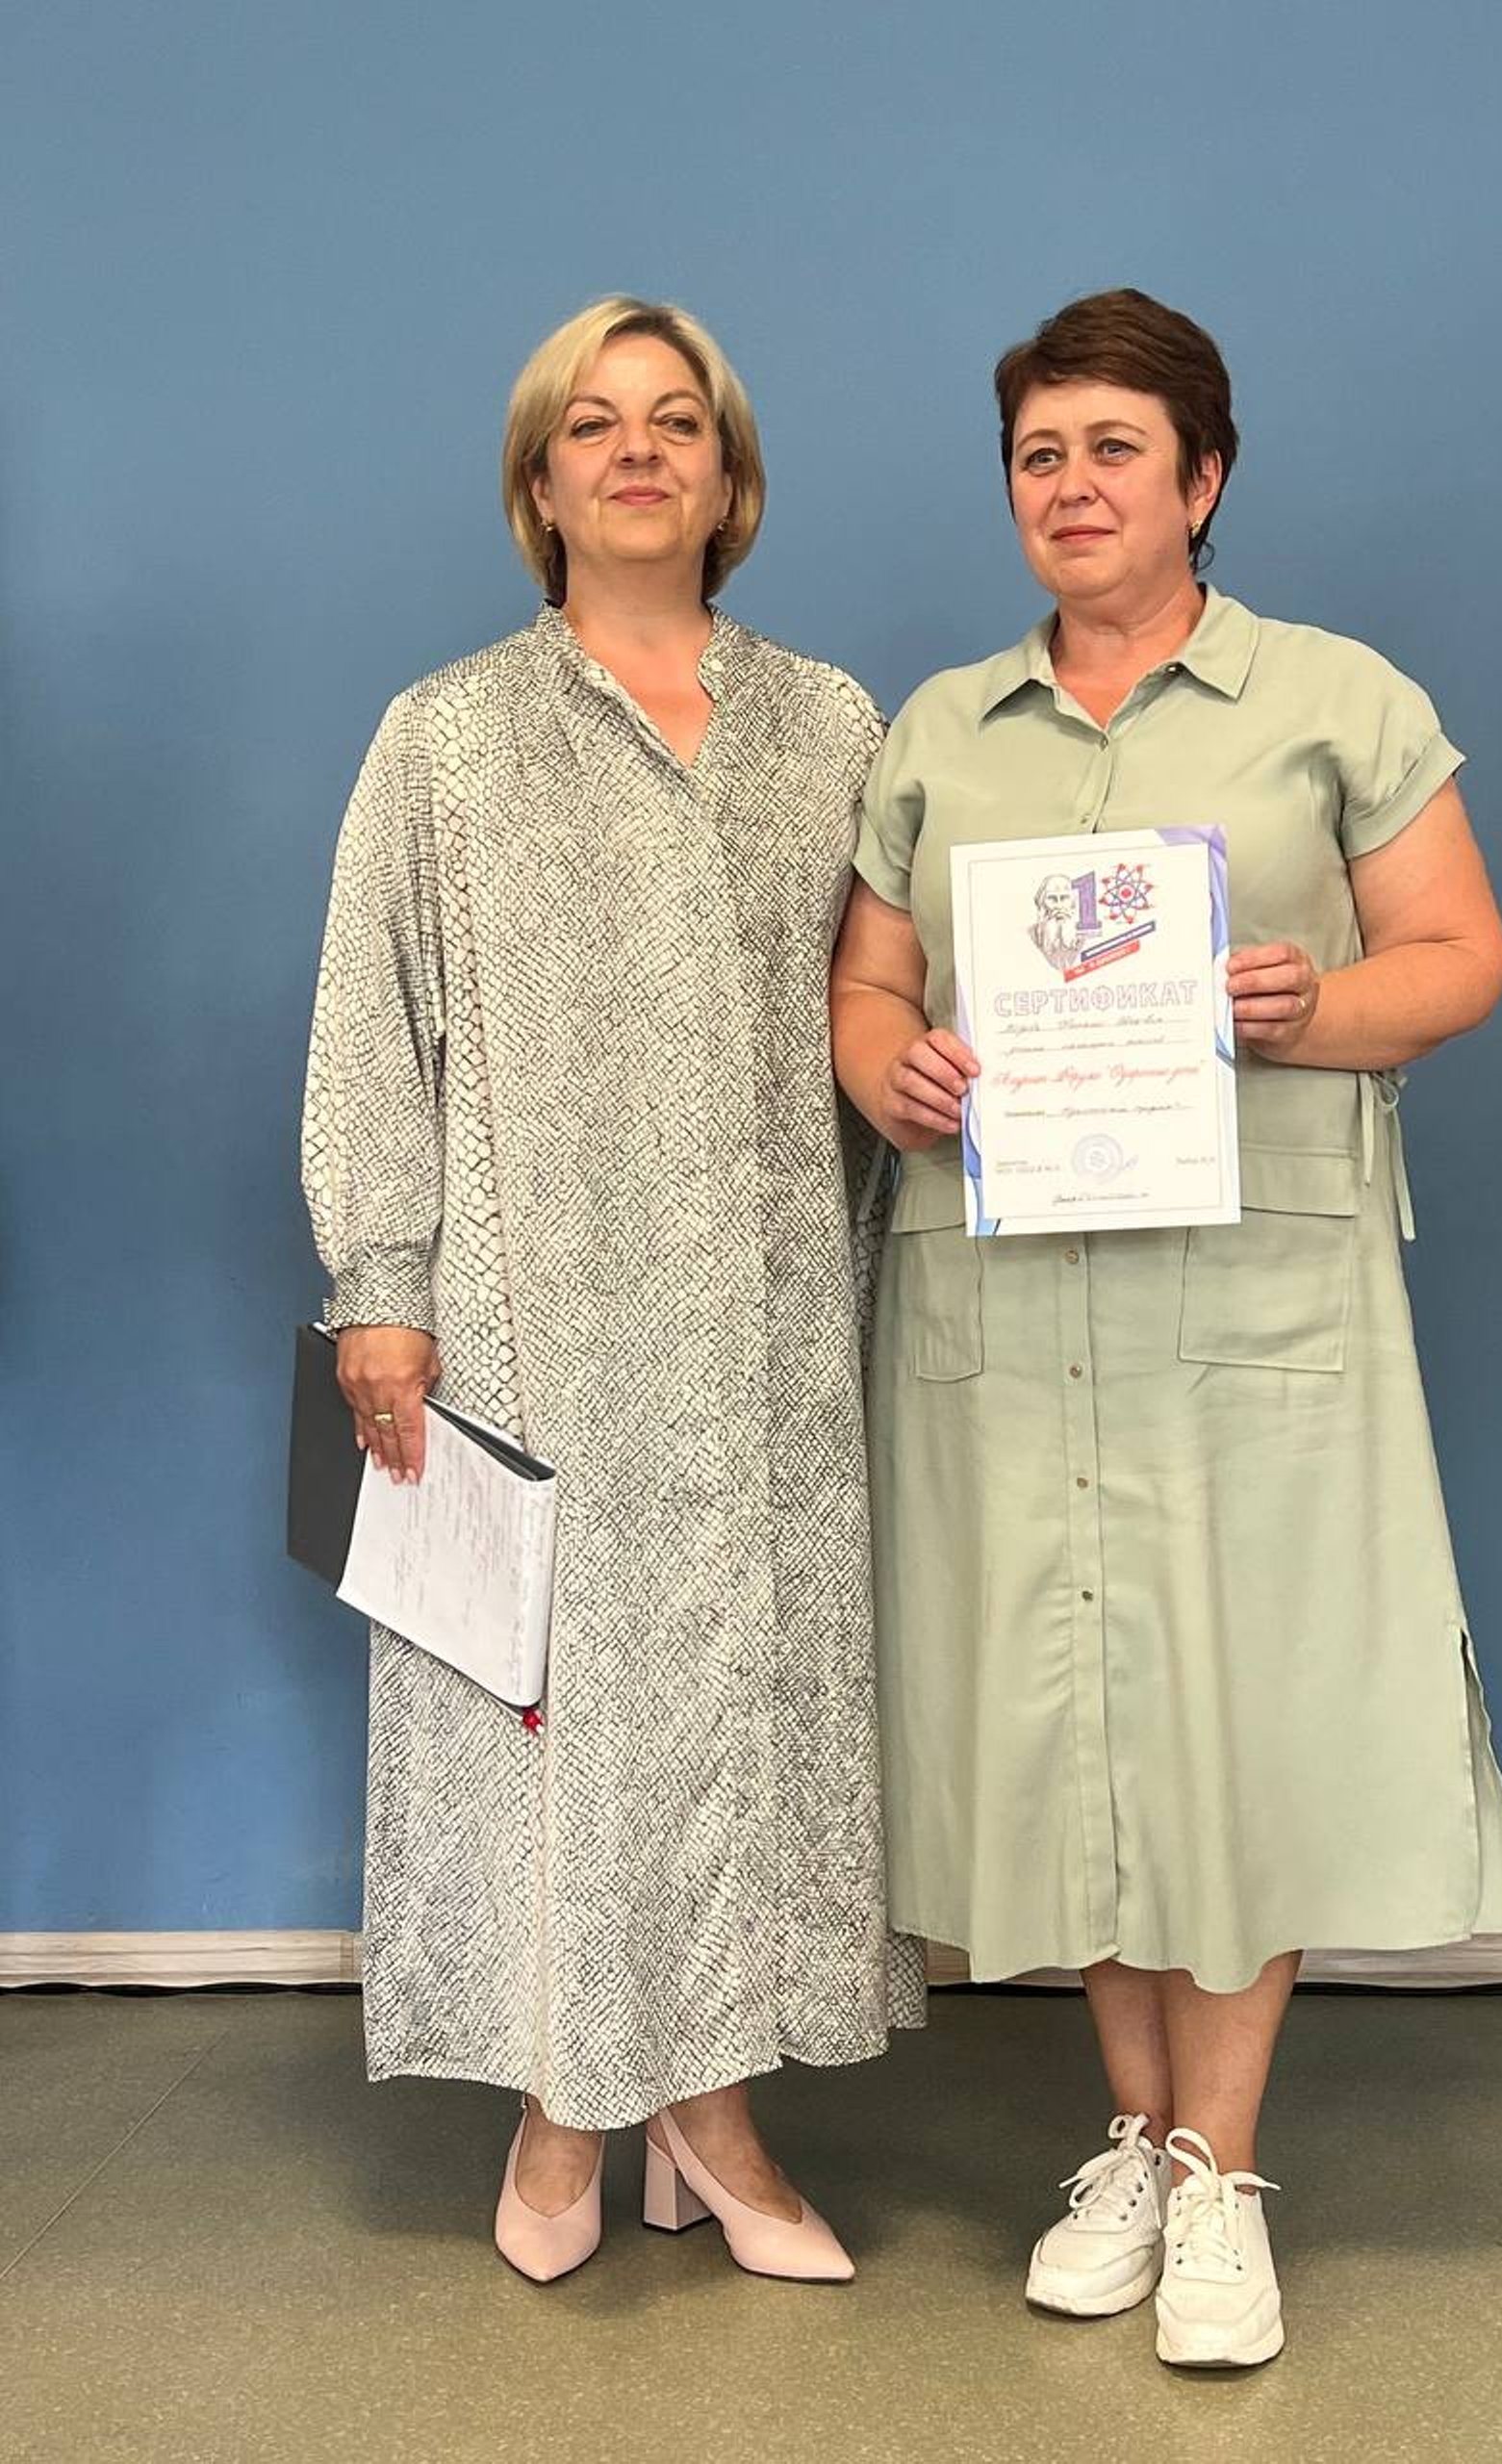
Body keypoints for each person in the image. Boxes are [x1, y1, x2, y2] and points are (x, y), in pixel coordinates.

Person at [831, 289, 1502, 2369]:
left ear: (1203, 478)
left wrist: (1317, 1005)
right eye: (1038, 454)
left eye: (1113, 448)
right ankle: (1133, 2139)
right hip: (1007, 1294)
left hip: (1252, 1299)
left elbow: (1464, 954)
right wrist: (889, 1069)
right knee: (1081, 1721)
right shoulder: (941, 730)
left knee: (1238, 1715)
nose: (1072, 486)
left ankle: (1222, 2170)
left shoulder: (1337, 698)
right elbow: (868, 988)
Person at [302, 295, 922, 2287]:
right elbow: (371, 1019)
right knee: (554, 1712)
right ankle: (565, 2106)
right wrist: (378, 1283)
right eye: (595, 423)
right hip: (528, 1305)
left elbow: (889, 991)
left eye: (677, 421)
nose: (637, 450)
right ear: (541, 481)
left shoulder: (831, 724)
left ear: (730, 478)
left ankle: (711, 2113)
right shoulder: (448, 734)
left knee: (739, 1699)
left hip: (766, 1318)